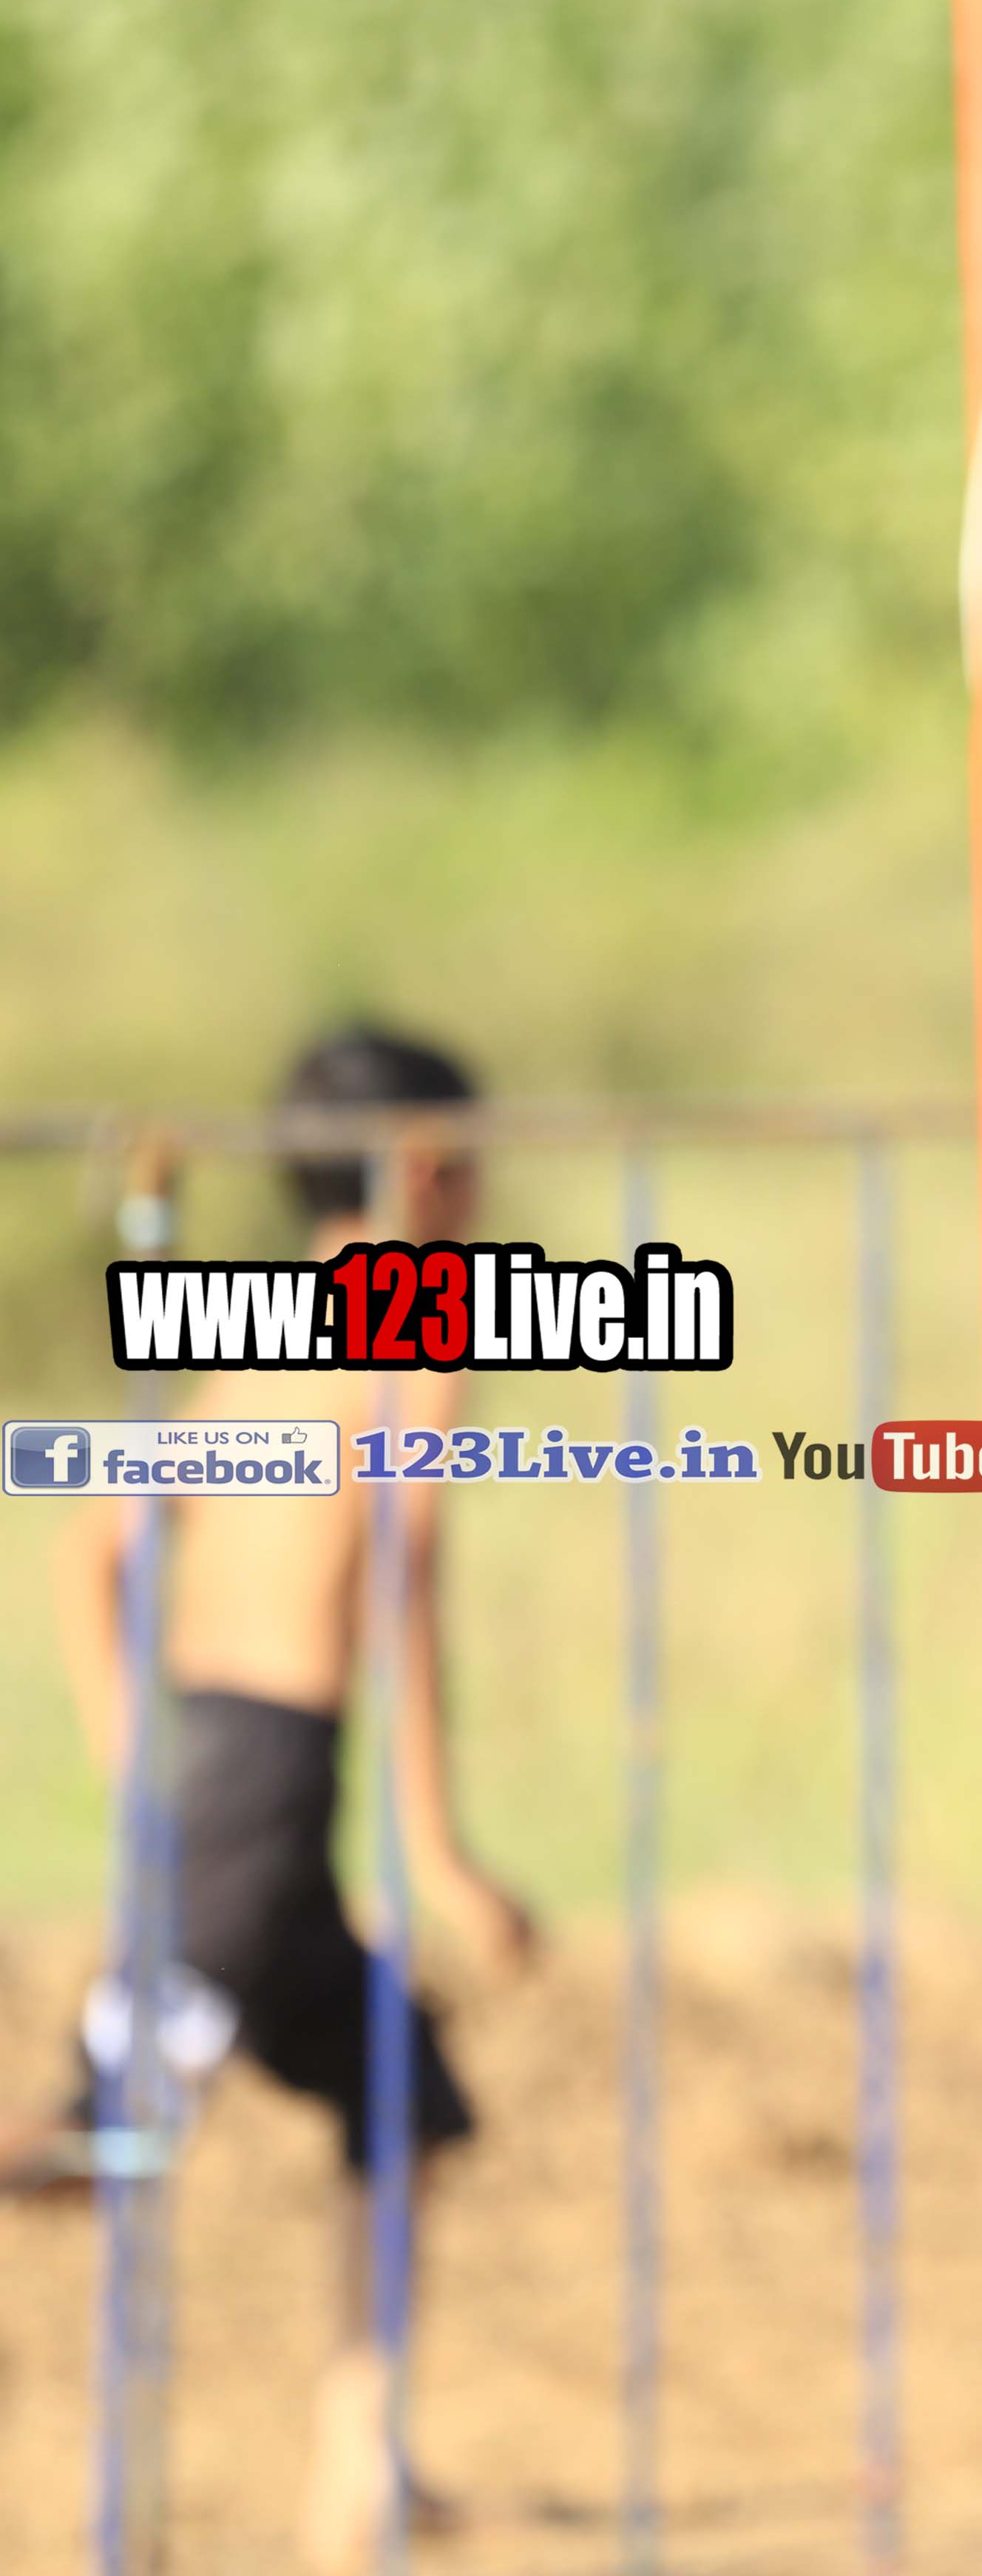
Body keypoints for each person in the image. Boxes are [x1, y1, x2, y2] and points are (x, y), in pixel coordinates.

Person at [13, 1026, 543, 2570]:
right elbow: (403, 1585)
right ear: (421, 1172)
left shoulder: (261, 1347)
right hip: (258, 1794)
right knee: (103, 2135)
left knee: (402, 2094)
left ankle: (360, 2459)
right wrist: (440, 1851)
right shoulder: (411, 1343)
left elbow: (89, 1549)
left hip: (236, 1785)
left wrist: (136, 1755)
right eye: (470, 1163)